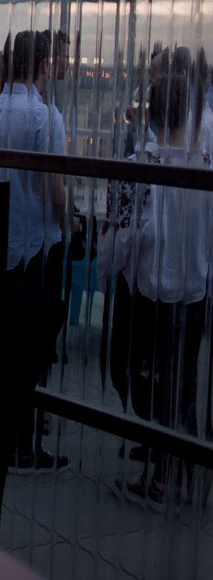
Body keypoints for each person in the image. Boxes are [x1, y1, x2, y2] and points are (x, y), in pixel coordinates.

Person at [100, 73, 212, 510]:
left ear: (150, 113)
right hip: (195, 290)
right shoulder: (202, 164)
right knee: (184, 382)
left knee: (144, 377)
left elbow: (121, 237)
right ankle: (185, 473)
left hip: (150, 292)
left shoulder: (138, 167)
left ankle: (164, 481)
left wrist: (108, 273)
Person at [0, 29, 69, 471]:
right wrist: (70, 220)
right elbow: (52, 186)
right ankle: (26, 444)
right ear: (42, 66)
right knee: (34, 347)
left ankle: (6, 435)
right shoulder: (45, 117)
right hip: (35, 245)